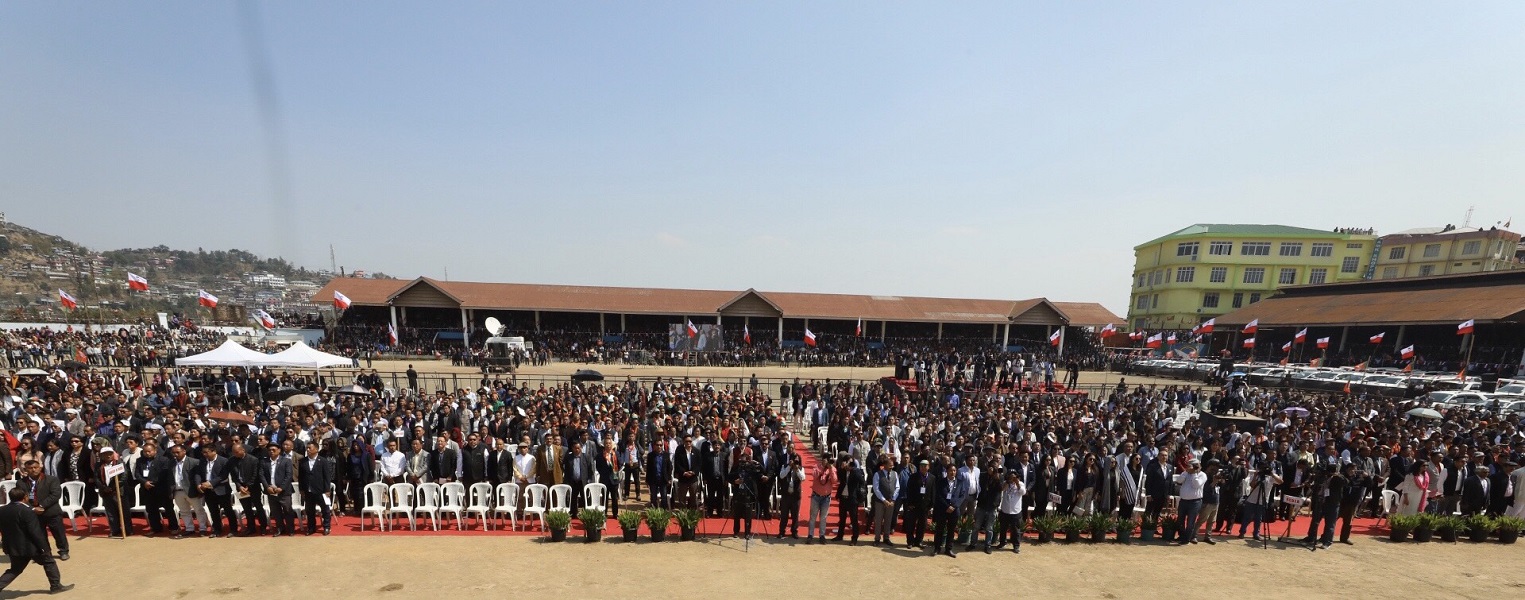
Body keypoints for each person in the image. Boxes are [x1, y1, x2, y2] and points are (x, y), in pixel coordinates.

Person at [0, 487, 72, 594]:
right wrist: (44, 547)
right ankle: (56, 586)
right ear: (25, 497)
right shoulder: (27, 511)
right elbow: (35, 532)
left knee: (15, 570)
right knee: (49, 562)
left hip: (13, 547)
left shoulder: (3, 510)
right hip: (31, 546)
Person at [20, 460, 68, 560]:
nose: (33, 470)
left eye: (35, 467)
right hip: (34, 513)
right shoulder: (21, 482)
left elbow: (55, 495)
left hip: (51, 511)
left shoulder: (51, 479)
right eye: (30, 468)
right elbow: (21, 497)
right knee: (40, 534)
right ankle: (46, 552)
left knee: (58, 533)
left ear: (40, 468)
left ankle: (63, 551)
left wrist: (42, 506)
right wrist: (32, 508)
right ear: (25, 470)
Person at [226, 443, 268, 536]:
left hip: (253, 488)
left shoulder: (253, 460)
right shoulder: (232, 461)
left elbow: (255, 475)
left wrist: (248, 486)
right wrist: (239, 486)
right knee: (247, 509)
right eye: (233, 452)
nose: (235, 454)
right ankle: (251, 527)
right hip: (241, 488)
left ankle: (263, 526)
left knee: (258, 507)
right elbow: (234, 476)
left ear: (243, 450)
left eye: (236, 452)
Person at [930, 463, 968, 557]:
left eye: (954, 470)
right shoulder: (941, 482)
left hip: (954, 510)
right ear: (947, 471)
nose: (952, 472)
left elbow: (962, 495)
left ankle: (948, 549)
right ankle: (937, 548)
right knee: (940, 530)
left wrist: (954, 506)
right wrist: (947, 506)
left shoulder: (960, 482)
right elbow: (938, 495)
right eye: (950, 470)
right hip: (943, 509)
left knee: (951, 531)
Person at [199, 444, 236, 538]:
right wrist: (199, 484)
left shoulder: (223, 461)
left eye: (206, 452)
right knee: (213, 511)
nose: (204, 454)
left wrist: (210, 483)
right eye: (203, 452)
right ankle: (217, 529)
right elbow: (198, 474)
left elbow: (223, 475)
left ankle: (233, 529)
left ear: (214, 451)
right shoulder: (202, 461)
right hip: (207, 491)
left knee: (228, 511)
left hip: (222, 490)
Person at [297, 442, 334, 535]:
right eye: (307, 448)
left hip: (321, 490)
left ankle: (326, 527)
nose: (308, 450)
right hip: (308, 490)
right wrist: (301, 489)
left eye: (310, 448)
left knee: (325, 510)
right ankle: (311, 527)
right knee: (310, 511)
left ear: (316, 449)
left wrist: (327, 490)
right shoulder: (302, 461)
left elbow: (327, 477)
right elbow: (300, 477)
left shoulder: (323, 461)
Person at [263, 443, 296, 536]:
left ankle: (290, 529)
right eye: (269, 450)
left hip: (284, 491)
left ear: (279, 450)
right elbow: (261, 475)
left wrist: (281, 488)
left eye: (273, 450)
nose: (271, 452)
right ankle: (280, 528)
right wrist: (267, 487)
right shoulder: (264, 462)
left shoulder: (286, 461)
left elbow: (289, 475)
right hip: (271, 491)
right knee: (275, 511)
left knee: (288, 510)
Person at [93, 447, 126, 538]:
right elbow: (96, 478)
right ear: (101, 455)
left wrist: (113, 487)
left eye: (110, 453)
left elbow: (124, 477)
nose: (108, 456)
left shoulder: (119, 463)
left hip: (117, 491)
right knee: (110, 512)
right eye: (105, 454)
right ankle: (114, 530)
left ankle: (126, 530)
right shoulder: (98, 465)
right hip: (105, 492)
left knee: (122, 511)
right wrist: (104, 488)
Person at [1173, 458, 1207, 545]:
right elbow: (1179, 481)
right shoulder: (1186, 473)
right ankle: (1182, 536)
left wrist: (1194, 474)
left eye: (1197, 466)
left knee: (1190, 521)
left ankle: (1187, 539)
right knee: (1180, 519)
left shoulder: (1202, 475)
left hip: (1195, 502)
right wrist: (1185, 472)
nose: (1195, 468)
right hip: (1183, 500)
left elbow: (1196, 485)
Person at [806, 454, 837, 544]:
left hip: (826, 498)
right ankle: (810, 535)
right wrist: (822, 467)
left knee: (823, 518)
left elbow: (834, 480)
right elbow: (814, 475)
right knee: (813, 517)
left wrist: (830, 468)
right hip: (816, 496)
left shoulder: (833, 469)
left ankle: (822, 535)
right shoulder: (817, 466)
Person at [729, 449, 760, 540]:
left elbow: (759, 472)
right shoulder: (736, 467)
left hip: (748, 494)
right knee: (737, 515)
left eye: (744, 461)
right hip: (738, 493)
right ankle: (736, 531)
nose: (742, 463)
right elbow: (729, 477)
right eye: (741, 460)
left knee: (748, 516)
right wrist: (735, 481)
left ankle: (747, 533)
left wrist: (754, 463)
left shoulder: (751, 468)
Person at [834, 458, 866, 545]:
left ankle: (854, 538)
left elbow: (862, 481)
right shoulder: (843, 471)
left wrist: (852, 469)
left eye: (849, 463)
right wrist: (842, 468)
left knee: (854, 519)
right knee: (842, 518)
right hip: (843, 497)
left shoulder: (856, 471)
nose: (847, 464)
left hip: (852, 498)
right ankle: (840, 535)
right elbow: (839, 477)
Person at [995, 469, 1028, 553]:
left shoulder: (1020, 484)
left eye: (1014, 477)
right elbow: (1002, 489)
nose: (1012, 478)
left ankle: (1016, 546)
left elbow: (1023, 492)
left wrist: (1017, 483)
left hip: (1015, 511)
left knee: (1015, 530)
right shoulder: (1006, 483)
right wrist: (1008, 482)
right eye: (1010, 476)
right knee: (1003, 529)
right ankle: (1002, 543)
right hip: (1005, 510)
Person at [870, 456, 900, 546]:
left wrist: (894, 499)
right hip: (880, 502)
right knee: (878, 521)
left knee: (888, 520)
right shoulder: (877, 474)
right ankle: (877, 538)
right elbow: (876, 489)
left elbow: (897, 487)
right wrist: (883, 500)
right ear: (885, 465)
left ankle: (886, 538)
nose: (892, 467)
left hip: (891, 501)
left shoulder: (895, 474)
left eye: (892, 465)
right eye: (890, 465)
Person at [903, 460, 931, 549]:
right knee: (911, 524)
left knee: (922, 525)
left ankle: (919, 541)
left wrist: (931, 506)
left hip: (925, 506)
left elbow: (933, 492)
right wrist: (909, 503)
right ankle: (910, 541)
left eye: (925, 466)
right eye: (921, 465)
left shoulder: (932, 478)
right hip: (914, 505)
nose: (923, 467)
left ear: (928, 467)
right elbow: (909, 490)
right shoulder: (913, 477)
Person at [777, 454, 804, 539]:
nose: (795, 462)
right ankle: (781, 531)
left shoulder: (801, 469)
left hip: (795, 496)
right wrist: (789, 467)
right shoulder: (785, 466)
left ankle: (794, 531)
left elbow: (803, 478)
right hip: (786, 495)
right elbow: (781, 475)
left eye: (797, 461)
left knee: (795, 515)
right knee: (784, 515)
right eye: (794, 460)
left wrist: (797, 470)